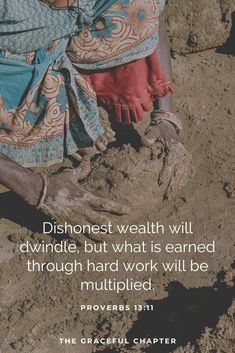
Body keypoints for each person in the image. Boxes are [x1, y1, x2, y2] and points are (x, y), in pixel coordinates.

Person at [0, 0, 181, 224]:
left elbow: (149, 13)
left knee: (135, 10)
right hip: (10, 68)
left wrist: (166, 116)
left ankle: (76, 102)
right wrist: (37, 189)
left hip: (62, 38)